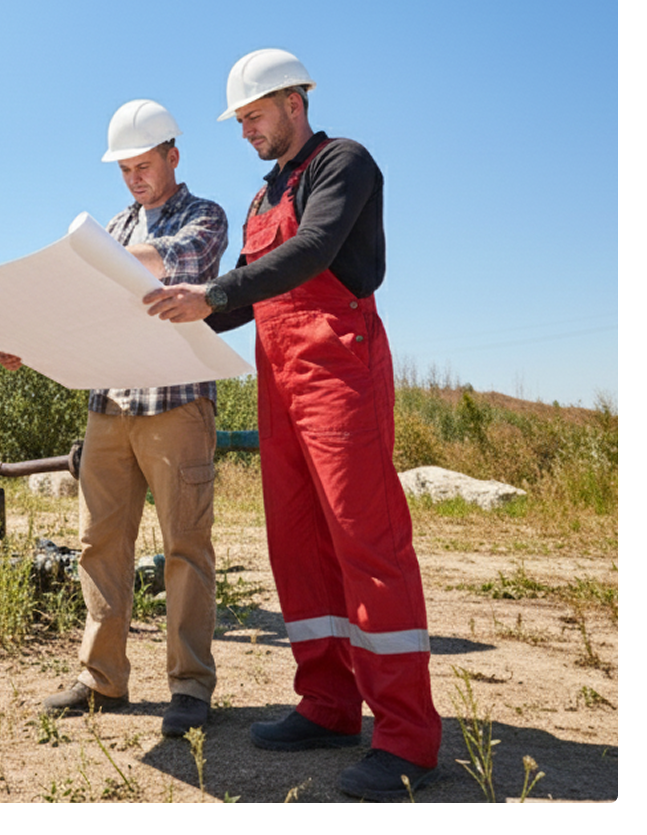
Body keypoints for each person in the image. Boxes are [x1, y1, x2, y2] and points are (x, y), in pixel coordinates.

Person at [144, 50, 442, 800]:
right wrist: (160, 319)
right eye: (240, 120)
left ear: (292, 102)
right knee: (299, 545)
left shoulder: (342, 164)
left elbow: (311, 253)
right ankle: (330, 704)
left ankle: (406, 735)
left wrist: (209, 294)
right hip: (280, 381)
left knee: (366, 543)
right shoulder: (259, 198)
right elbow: (241, 302)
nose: (244, 131)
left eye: (252, 116)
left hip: (340, 371)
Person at [0, 99, 228, 738]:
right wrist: (26, 337)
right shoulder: (114, 227)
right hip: (109, 408)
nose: (133, 179)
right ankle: (103, 678)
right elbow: (76, 309)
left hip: (176, 405)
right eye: (124, 169)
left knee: (185, 547)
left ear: (173, 157)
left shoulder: (204, 216)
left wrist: (99, 265)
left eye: (143, 165)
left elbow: (177, 264)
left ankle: (189, 686)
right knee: (99, 545)